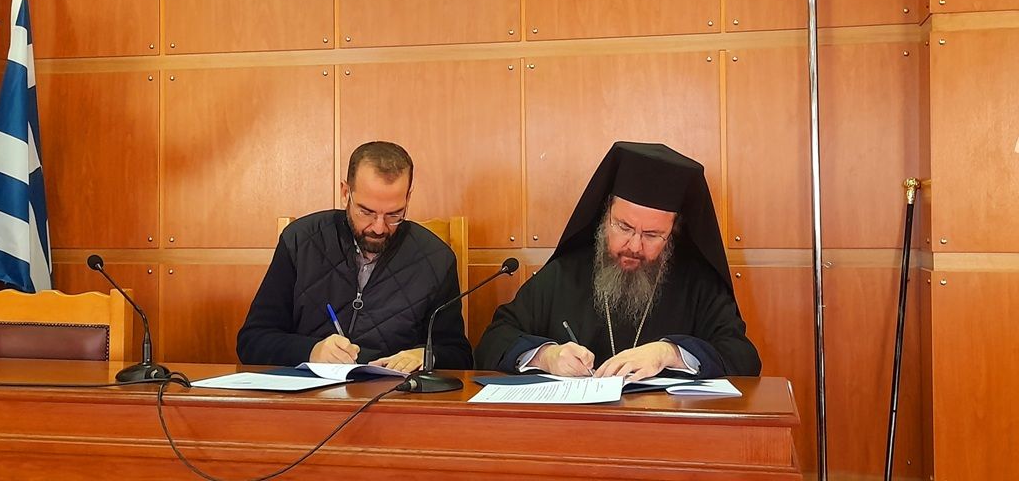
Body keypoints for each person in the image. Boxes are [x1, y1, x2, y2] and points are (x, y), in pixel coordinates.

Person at [475, 142, 760, 382]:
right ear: (605, 217)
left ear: (673, 232)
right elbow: (492, 342)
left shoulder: (698, 284)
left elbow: (743, 358)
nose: (634, 246)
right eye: (624, 227)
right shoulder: (564, 274)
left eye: (652, 235)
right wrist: (546, 356)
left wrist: (670, 353)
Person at [237, 141, 472, 372]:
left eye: (394, 214)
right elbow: (252, 341)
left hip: (393, 393)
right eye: (366, 212)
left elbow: (460, 356)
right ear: (345, 193)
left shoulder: (436, 259)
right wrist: (311, 351)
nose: (378, 228)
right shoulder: (300, 240)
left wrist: (427, 355)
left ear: (408, 199)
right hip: (309, 392)